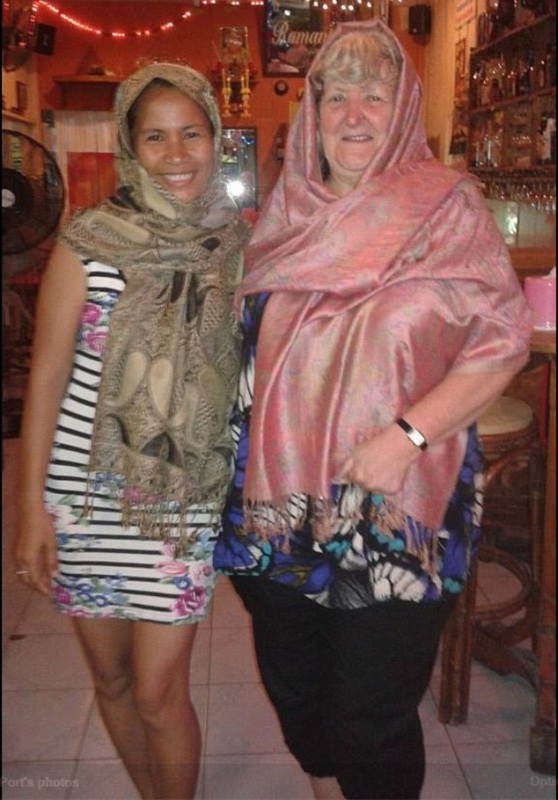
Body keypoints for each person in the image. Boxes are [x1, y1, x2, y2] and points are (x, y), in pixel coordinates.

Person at [214, 20, 533, 800]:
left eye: (376, 97)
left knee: (370, 721)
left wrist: (408, 434)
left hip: (396, 505)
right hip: (279, 511)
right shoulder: (282, 218)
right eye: (337, 97)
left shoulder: (446, 207)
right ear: (314, 113)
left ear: (404, 110)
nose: (354, 115)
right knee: (298, 694)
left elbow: (502, 339)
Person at [14, 63, 249, 800]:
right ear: (129, 143)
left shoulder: (237, 247)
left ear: (215, 137)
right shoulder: (87, 241)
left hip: (181, 497)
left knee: (157, 691)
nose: (176, 155)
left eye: (191, 134)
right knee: (111, 679)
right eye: (155, 137)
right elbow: (46, 379)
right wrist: (30, 512)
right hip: (83, 493)